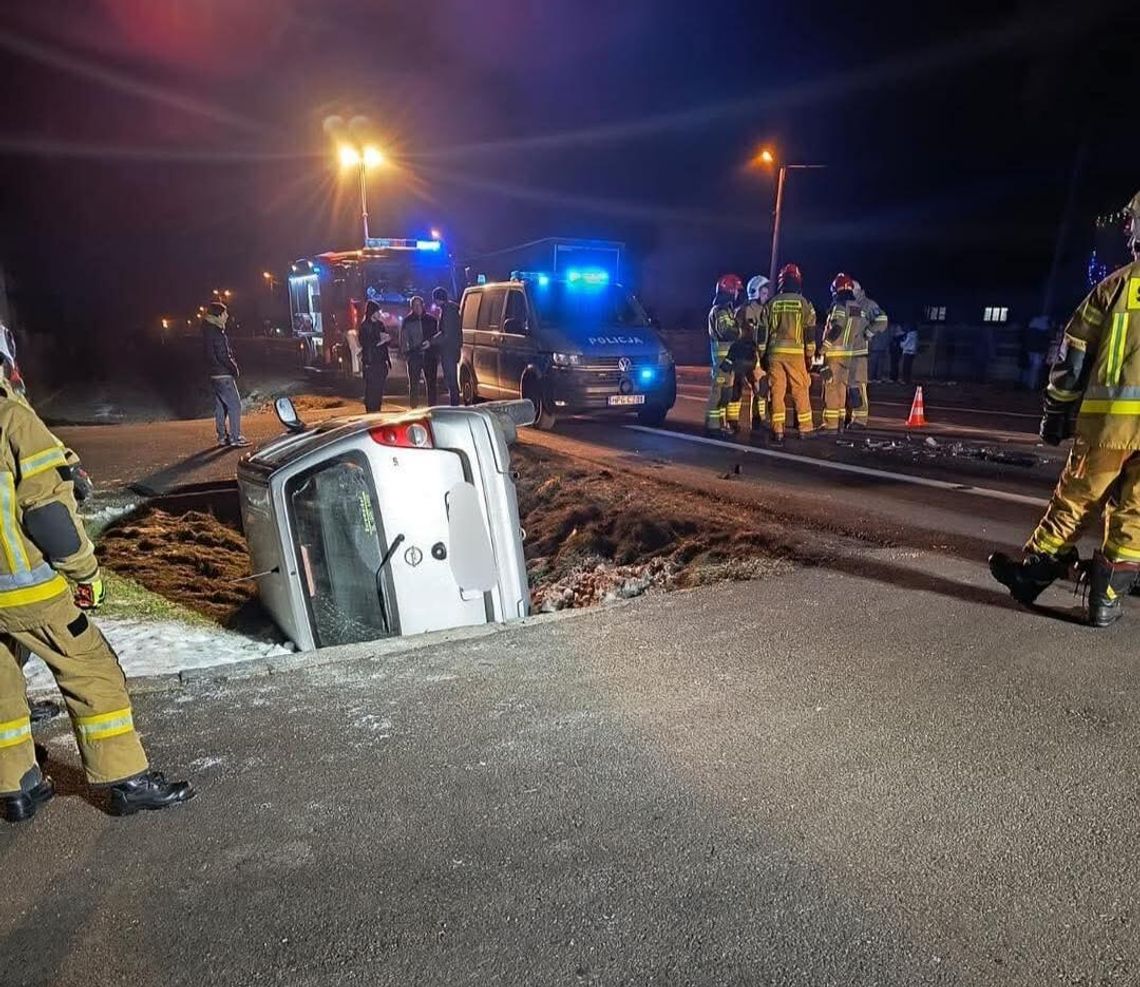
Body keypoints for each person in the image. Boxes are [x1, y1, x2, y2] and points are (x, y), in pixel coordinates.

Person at [0, 382, 194, 821]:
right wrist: (85, 572)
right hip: (26, 588)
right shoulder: (12, 420)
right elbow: (47, 515)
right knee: (93, 670)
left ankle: (15, 788)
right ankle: (127, 780)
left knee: (2, 682)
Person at [990, 189, 1140, 627]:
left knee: (1075, 500)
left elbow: (1071, 356)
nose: (1128, 229)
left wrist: (1055, 412)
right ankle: (1105, 599)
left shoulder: (1113, 288)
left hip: (1108, 424)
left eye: (1131, 222)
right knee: (1136, 511)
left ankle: (1031, 577)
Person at [762, 263, 817, 444]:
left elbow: (762, 333)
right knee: (800, 390)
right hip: (796, 355)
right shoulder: (804, 303)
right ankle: (805, 429)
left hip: (774, 354)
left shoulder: (772, 303)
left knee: (776, 392)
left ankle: (777, 430)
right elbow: (809, 331)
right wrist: (810, 354)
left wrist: (762, 354)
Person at [201, 302, 248, 448]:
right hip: (223, 374)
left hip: (213, 374)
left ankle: (222, 437)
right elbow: (223, 355)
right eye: (225, 313)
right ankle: (235, 437)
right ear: (219, 315)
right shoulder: (217, 333)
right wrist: (234, 368)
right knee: (235, 405)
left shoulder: (206, 331)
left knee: (221, 406)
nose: (227, 316)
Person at [704, 274, 743, 436]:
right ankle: (712, 426)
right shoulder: (720, 310)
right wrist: (741, 331)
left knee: (726, 393)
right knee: (718, 392)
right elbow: (727, 331)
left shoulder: (726, 309)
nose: (737, 294)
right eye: (736, 291)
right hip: (722, 360)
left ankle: (720, 424)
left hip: (728, 359)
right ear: (730, 290)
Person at [731, 275, 770, 429]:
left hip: (756, 356)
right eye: (764, 293)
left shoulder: (765, 311)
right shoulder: (742, 311)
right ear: (755, 292)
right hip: (742, 354)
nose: (766, 296)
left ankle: (759, 419)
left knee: (761, 386)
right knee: (736, 388)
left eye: (767, 293)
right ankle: (732, 421)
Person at [848, 279, 889, 427]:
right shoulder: (847, 303)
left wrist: (869, 332)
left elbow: (882, 320)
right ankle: (847, 418)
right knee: (846, 388)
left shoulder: (868, 304)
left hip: (858, 354)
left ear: (857, 290)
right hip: (845, 354)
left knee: (857, 387)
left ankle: (859, 420)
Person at [399, 296, 439, 409]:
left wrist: (435, 350)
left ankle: (432, 407)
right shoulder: (407, 321)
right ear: (411, 307)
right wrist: (406, 354)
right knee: (414, 384)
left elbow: (436, 337)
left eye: (419, 305)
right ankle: (413, 407)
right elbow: (403, 339)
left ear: (423, 305)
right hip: (414, 356)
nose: (417, 308)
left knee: (431, 383)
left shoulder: (431, 320)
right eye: (414, 305)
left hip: (429, 356)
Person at [359, 300, 393, 413]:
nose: (379, 314)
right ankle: (370, 412)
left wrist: (387, 339)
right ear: (372, 312)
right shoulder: (364, 326)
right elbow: (366, 344)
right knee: (371, 390)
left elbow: (385, 341)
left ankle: (377, 412)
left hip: (381, 363)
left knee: (379, 390)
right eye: (378, 311)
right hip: (370, 363)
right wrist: (380, 341)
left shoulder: (380, 325)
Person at [432, 286, 463, 406]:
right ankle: (454, 403)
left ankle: (454, 405)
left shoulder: (448, 311)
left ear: (438, 299)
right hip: (452, 349)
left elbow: (446, 333)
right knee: (450, 378)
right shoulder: (450, 310)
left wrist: (431, 341)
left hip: (449, 349)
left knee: (451, 379)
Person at [1022, 316, 1052, 390]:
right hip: (1037, 350)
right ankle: (1031, 385)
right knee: (1035, 368)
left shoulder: (1033, 325)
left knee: (1031, 367)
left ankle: (1029, 384)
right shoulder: (1043, 326)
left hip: (1031, 349)